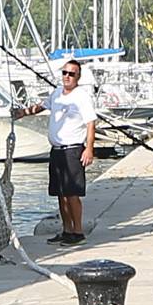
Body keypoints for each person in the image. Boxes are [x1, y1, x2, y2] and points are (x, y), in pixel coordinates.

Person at [18, 56, 98, 244]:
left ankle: (78, 231)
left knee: (72, 193)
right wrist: (23, 113)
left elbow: (90, 124)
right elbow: (41, 107)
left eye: (72, 74)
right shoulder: (56, 94)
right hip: (57, 150)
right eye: (65, 73)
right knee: (60, 193)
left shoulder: (82, 96)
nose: (67, 77)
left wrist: (89, 149)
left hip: (73, 150)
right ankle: (66, 229)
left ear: (78, 77)